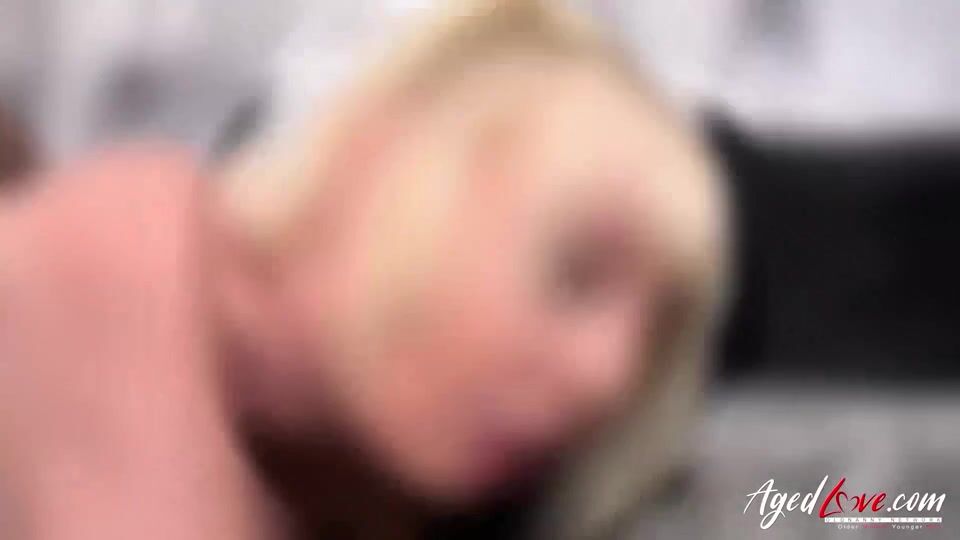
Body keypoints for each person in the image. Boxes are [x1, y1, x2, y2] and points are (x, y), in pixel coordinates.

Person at [0, 1, 726, 538]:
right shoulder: (114, 262)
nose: (606, 377)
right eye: (574, 273)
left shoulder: (343, 482)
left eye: (653, 337)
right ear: (389, 156)